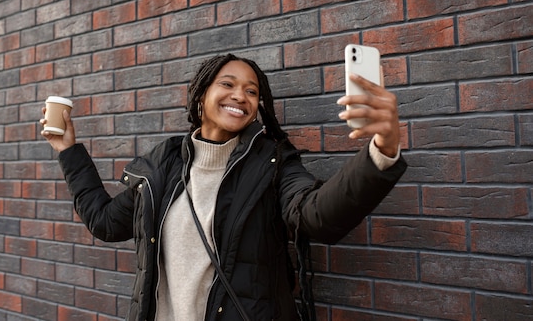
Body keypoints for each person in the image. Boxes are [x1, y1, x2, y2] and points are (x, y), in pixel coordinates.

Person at [41, 53, 407, 321]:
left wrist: (381, 152)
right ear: (201, 96)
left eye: (251, 91)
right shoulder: (162, 165)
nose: (241, 96)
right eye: (228, 84)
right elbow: (104, 221)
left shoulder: (273, 163)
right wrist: (68, 151)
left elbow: (316, 215)